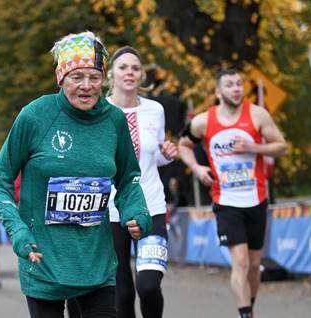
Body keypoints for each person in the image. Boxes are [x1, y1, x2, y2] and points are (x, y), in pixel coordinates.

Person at [0, 31, 151, 318]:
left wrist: (135, 209)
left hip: (95, 263)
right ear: (61, 78)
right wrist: (18, 230)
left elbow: (128, 177)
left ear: (104, 79)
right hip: (43, 259)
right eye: (77, 77)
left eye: (94, 77)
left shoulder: (114, 120)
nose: (86, 86)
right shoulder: (36, 115)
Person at [178, 69, 287, 318]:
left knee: (254, 265)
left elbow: (281, 146)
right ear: (218, 92)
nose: (236, 88)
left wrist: (255, 146)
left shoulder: (257, 115)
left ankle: (250, 303)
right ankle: (245, 314)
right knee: (241, 261)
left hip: (256, 198)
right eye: (229, 84)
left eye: (239, 84)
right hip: (226, 200)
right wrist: (196, 167)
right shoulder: (204, 121)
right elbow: (183, 144)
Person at [105, 46, 178, 318]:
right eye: (123, 67)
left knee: (148, 285)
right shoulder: (99, 111)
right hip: (111, 211)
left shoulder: (155, 110)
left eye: (135, 68)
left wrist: (167, 154)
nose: (129, 72)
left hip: (151, 206)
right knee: (121, 293)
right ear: (111, 73)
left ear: (142, 75)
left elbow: (152, 157)